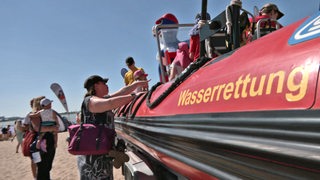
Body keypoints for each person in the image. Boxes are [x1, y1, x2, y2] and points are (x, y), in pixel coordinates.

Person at [77, 75, 148, 179]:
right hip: (92, 158)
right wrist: (134, 96)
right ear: (96, 85)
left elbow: (122, 91)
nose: (107, 85)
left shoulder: (102, 99)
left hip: (102, 153)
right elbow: (110, 103)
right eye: (104, 83)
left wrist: (137, 84)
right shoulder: (90, 101)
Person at [29, 96, 59, 180]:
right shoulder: (37, 114)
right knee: (43, 167)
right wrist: (52, 128)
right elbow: (37, 128)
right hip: (41, 142)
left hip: (48, 141)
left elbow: (55, 126)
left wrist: (56, 141)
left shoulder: (45, 113)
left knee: (46, 167)